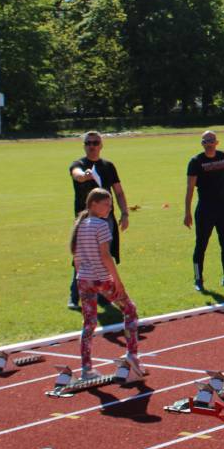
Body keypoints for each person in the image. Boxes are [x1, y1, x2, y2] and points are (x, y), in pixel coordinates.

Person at [72, 188, 146, 380]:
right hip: (101, 278)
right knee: (130, 310)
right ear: (93, 204)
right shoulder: (101, 225)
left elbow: (77, 256)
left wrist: (81, 275)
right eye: (106, 204)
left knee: (89, 323)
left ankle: (86, 369)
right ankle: (132, 355)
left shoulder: (80, 225)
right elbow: (106, 255)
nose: (110, 208)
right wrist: (117, 281)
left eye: (111, 205)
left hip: (84, 279)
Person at [68, 131, 128, 310]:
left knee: (104, 256)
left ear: (101, 145)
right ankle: (74, 296)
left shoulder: (108, 166)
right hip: (85, 221)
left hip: (105, 219)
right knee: (82, 256)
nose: (92, 146)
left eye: (95, 143)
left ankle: (103, 294)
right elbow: (77, 174)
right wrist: (85, 175)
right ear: (84, 146)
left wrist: (125, 213)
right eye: (88, 143)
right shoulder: (78, 164)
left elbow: (118, 192)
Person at [184, 130, 224, 291]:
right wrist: (187, 213)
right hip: (205, 210)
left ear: (217, 142)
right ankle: (198, 279)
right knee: (201, 245)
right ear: (202, 144)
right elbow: (190, 189)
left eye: (211, 140)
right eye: (205, 141)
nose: (208, 143)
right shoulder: (196, 162)